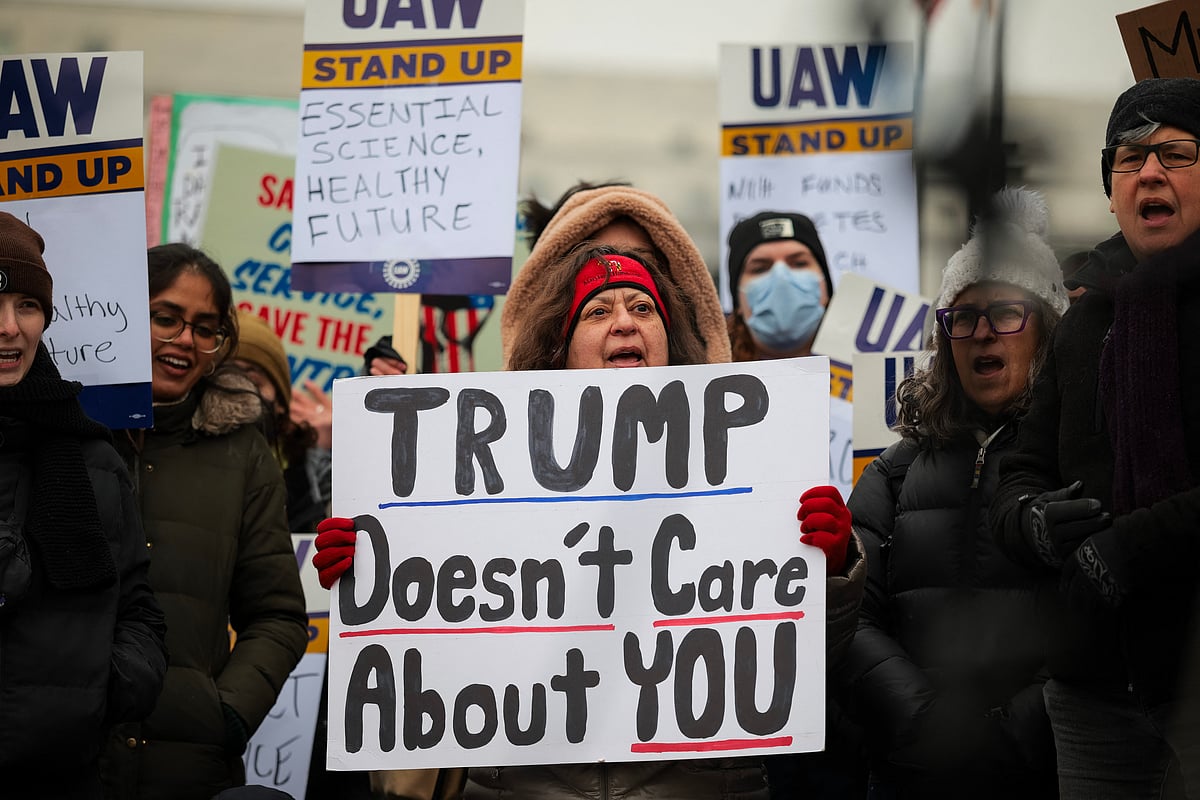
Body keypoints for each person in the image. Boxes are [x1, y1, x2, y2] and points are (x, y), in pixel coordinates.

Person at [315, 240, 863, 799]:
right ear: (561, 345)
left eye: (643, 308)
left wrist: (832, 571)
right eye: (599, 311)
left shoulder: (751, 463)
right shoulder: (476, 478)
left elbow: (807, 664)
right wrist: (368, 570)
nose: (624, 323)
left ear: (668, 341)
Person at [993, 77, 1200, 798]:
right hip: (1095, 694)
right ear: (1110, 188)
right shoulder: (1085, 316)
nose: (1149, 173)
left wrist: (1129, 549)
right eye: (1129, 157)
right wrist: (1034, 523)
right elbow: (1020, 467)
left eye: (1176, 154)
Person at [840, 187, 1068, 799]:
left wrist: (1008, 737)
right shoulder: (893, 471)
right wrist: (924, 725)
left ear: (1047, 331)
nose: (984, 333)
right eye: (963, 317)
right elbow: (853, 619)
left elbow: (1098, 619)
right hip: (910, 772)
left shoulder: (1079, 460)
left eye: (1007, 313)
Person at [101, 243, 309, 800]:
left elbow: (279, 616)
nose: (184, 340)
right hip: (62, 760)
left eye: (205, 327)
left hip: (189, 768)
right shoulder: (64, 435)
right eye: (165, 318)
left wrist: (225, 717)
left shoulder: (243, 453)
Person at [0, 211, 168, 800]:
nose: (9, 328)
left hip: (66, 779)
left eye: (27, 305)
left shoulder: (94, 457)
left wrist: (104, 687)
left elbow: (139, 611)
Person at [233, 310, 331, 533]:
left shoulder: (308, 477)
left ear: (279, 401)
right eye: (226, 376)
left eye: (253, 381)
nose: (238, 390)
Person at [725, 211, 835, 361]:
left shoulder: (870, 369)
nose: (781, 278)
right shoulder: (706, 371)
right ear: (738, 302)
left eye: (799, 263)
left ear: (826, 288)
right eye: (760, 269)